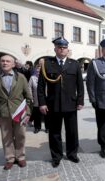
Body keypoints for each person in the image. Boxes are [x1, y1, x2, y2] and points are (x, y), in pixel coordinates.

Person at [38, 37, 84, 167]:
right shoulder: (47, 64)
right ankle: (56, 156)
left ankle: (72, 154)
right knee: (54, 132)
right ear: (55, 49)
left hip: (71, 104)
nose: (62, 49)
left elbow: (80, 85)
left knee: (72, 132)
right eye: (59, 47)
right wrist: (42, 103)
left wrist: (80, 100)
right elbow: (41, 86)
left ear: (67, 49)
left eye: (64, 47)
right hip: (53, 105)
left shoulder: (74, 64)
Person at [0, 54, 32, 170]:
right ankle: (10, 158)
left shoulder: (20, 77)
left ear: (13, 64)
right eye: (2, 61)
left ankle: (20, 157)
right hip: (3, 113)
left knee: (20, 135)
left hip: (19, 113)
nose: (4, 63)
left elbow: (28, 96)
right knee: (6, 136)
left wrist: (28, 112)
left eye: (7, 61)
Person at [28, 64, 49, 133]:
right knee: (37, 114)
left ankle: (47, 127)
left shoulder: (47, 77)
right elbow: (29, 88)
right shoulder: (32, 78)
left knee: (47, 114)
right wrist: (31, 97)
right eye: (37, 69)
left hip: (46, 98)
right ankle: (37, 127)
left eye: (40, 70)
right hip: (36, 98)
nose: (38, 71)